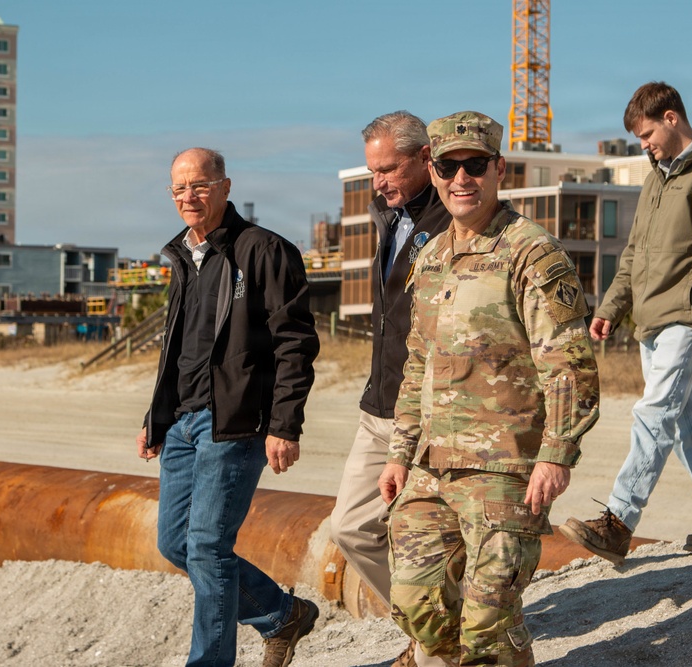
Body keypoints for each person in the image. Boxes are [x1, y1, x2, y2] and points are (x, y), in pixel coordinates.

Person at [379, 111, 600, 666]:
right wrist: (400, 453)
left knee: (488, 621)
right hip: (432, 465)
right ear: (432, 171)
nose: (462, 179)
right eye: (449, 166)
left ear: (499, 169)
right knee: (414, 602)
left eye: (475, 165)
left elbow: (570, 366)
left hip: (504, 469)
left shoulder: (531, 253)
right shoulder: (429, 258)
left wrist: (557, 454)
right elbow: (417, 365)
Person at [559, 82, 692, 566]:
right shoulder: (656, 178)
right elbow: (634, 253)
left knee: (652, 414)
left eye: (647, 133)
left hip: (686, 319)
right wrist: (610, 307)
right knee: (686, 419)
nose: (643, 144)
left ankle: (619, 522)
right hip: (651, 319)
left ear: (672, 118)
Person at [136, 148, 321, 667]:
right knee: (176, 545)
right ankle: (281, 615)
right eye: (178, 189)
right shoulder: (182, 256)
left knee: (209, 548)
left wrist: (285, 424)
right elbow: (178, 347)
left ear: (224, 186)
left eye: (199, 185)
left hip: (236, 422)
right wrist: (156, 418)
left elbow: (295, 343)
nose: (188, 196)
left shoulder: (263, 250)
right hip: (182, 424)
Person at [329, 111, 451, 667]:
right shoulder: (388, 217)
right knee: (352, 526)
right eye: (373, 170)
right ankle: (429, 628)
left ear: (425, 158)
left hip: (431, 411)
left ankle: (436, 641)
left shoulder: (452, 217)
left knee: (433, 536)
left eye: (389, 168)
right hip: (379, 405)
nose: (378, 180)